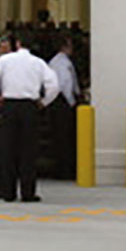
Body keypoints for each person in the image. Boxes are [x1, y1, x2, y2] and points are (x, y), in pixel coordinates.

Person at [0, 32, 60, 203]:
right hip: (29, 107)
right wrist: (43, 102)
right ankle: (28, 192)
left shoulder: (4, 61)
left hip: (9, 105)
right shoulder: (38, 63)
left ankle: (8, 192)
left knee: (8, 149)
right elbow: (54, 85)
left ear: (17, 43)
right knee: (28, 151)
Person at [44, 39, 81, 179]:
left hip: (56, 101)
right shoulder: (62, 63)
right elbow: (66, 83)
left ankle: (61, 168)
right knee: (64, 137)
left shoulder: (55, 62)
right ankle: (64, 169)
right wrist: (72, 102)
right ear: (65, 46)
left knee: (60, 137)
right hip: (62, 102)